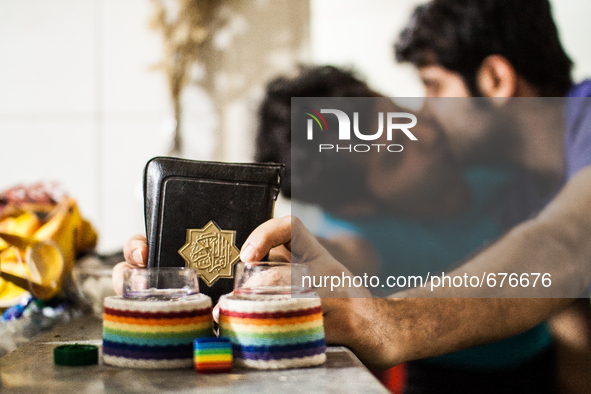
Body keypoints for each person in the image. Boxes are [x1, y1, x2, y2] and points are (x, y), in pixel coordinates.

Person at [234, 0, 591, 386]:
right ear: (359, 206)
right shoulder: (517, 186)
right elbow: (346, 249)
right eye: (395, 154)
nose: (426, 122)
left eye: (432, 88)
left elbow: (567, 241)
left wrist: (392, 322)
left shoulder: (517, 165)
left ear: (495, 80)